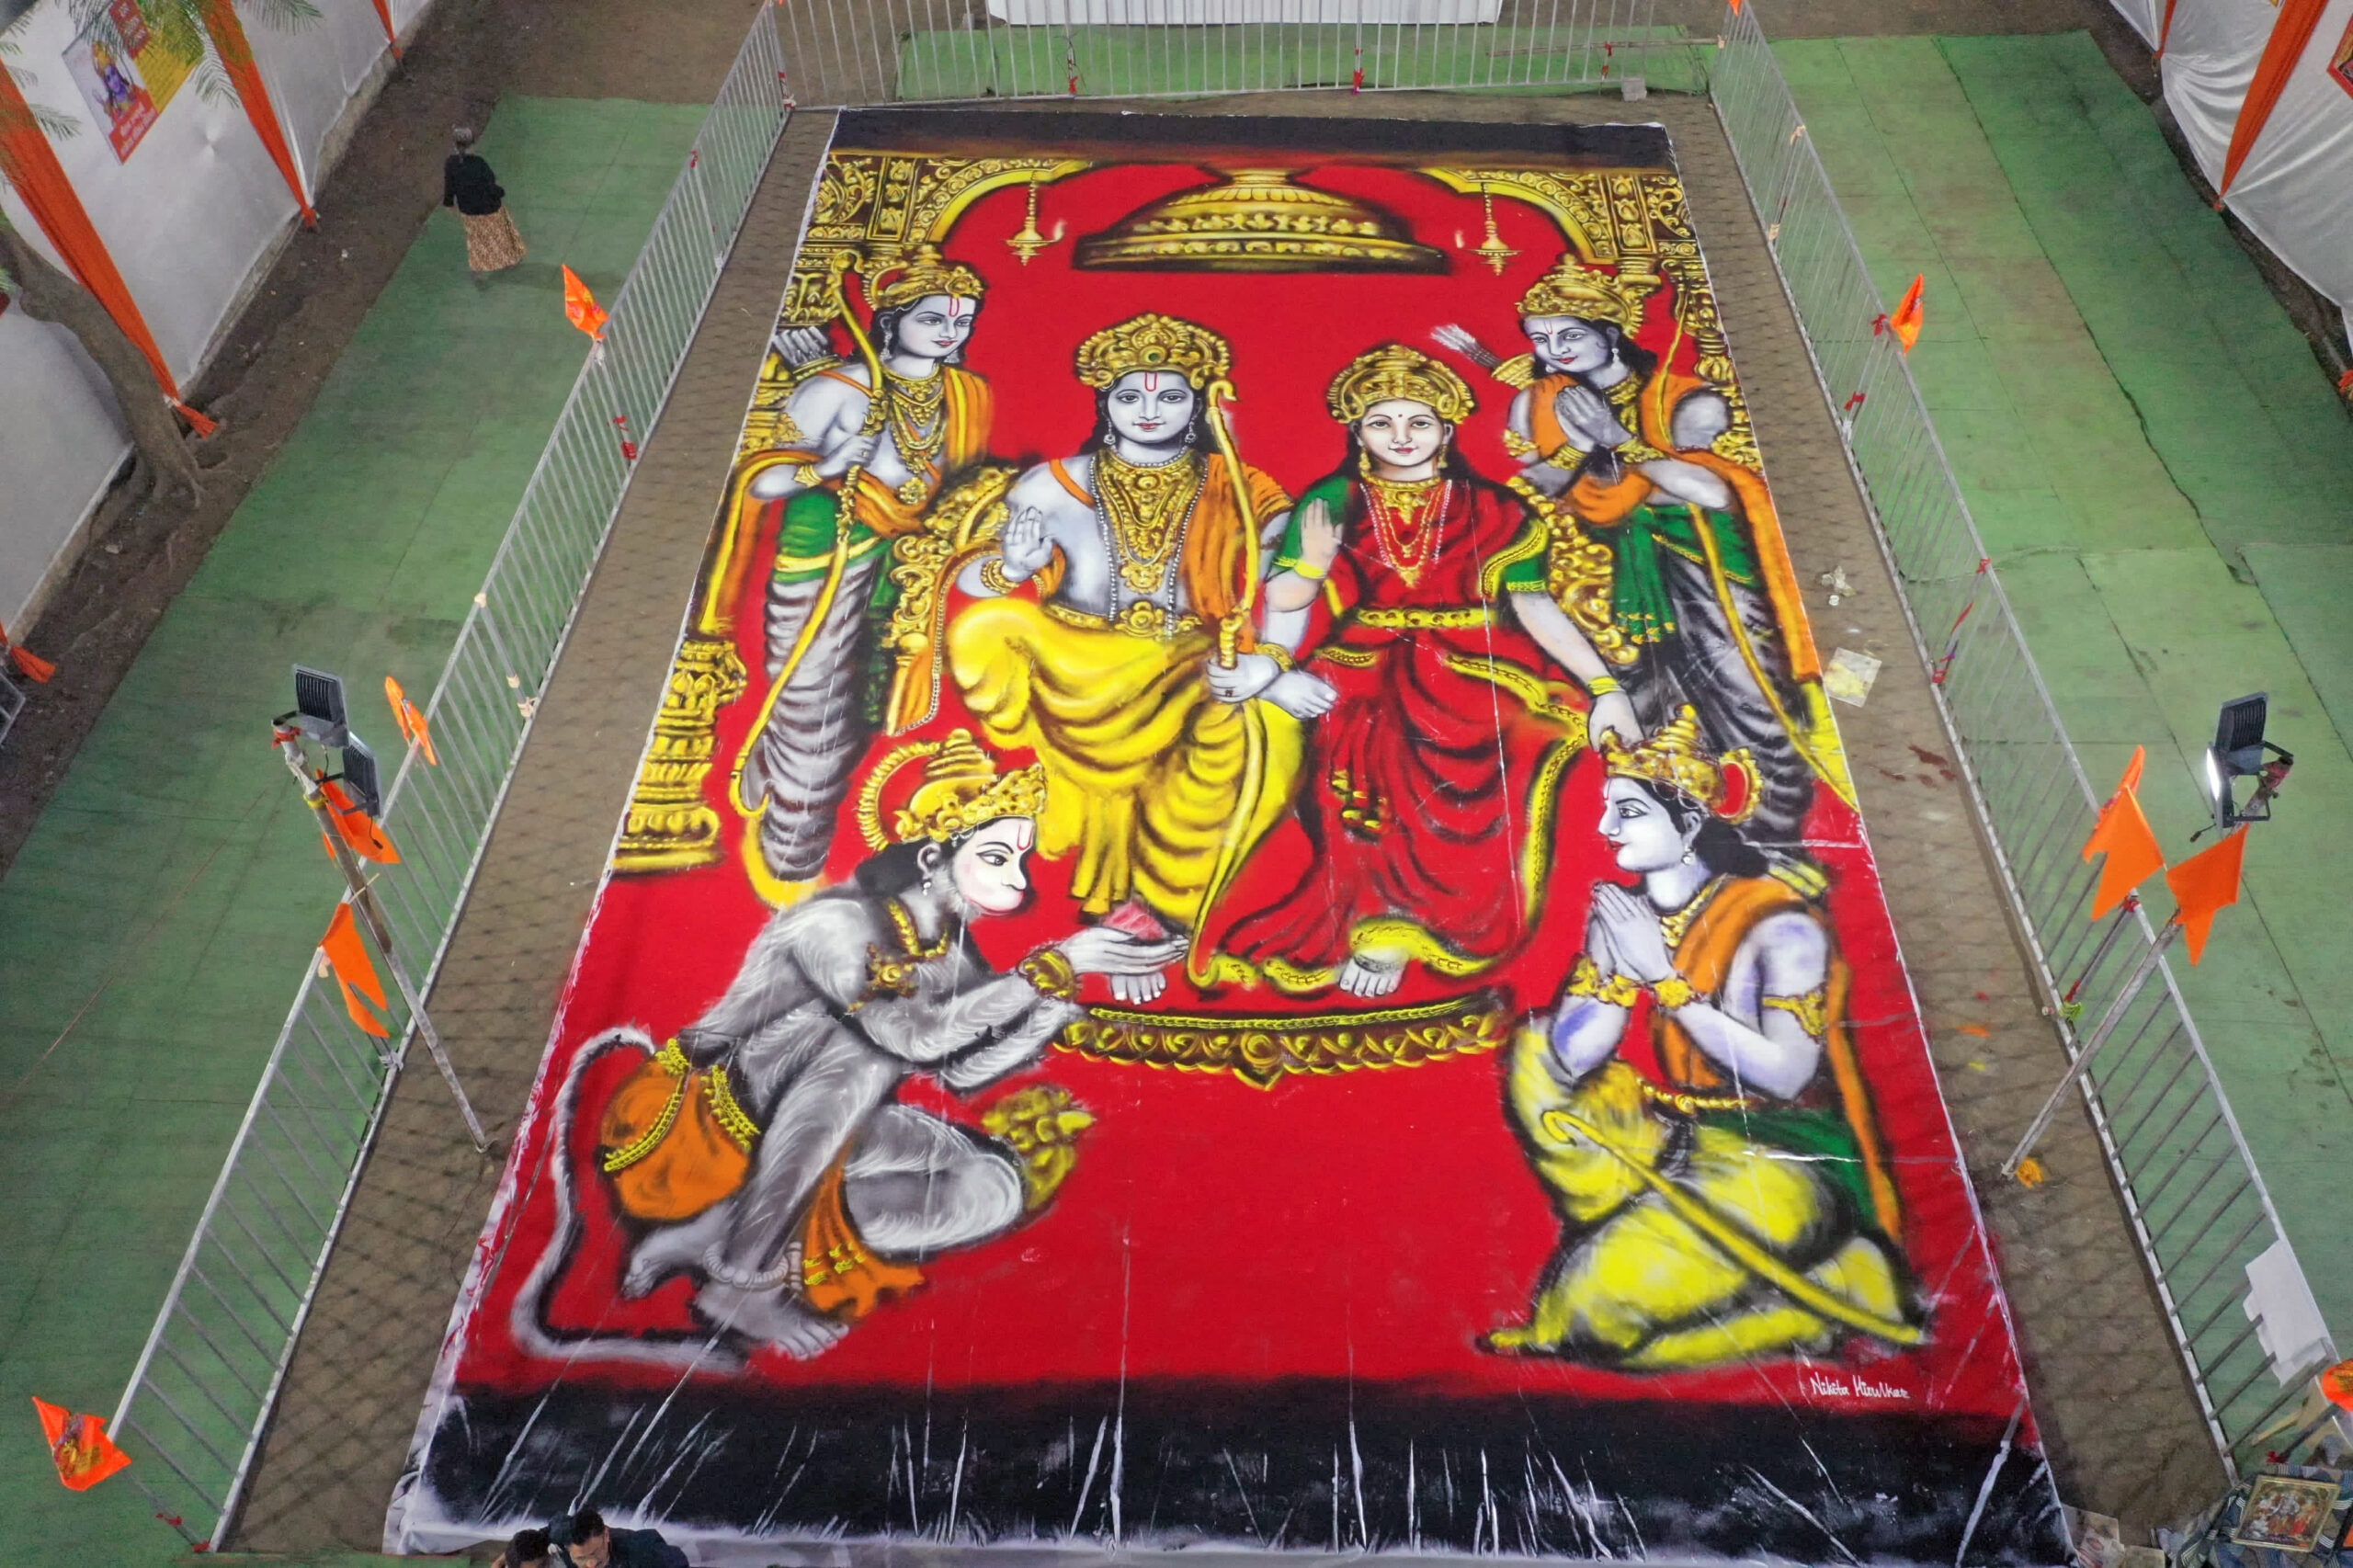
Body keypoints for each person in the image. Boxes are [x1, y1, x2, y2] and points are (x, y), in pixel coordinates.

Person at [612, 730, 1179, 1359]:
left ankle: (718, 1227)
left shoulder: (947, 949)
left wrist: (1062, 995)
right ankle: (738, 1277)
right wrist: (1050, 967)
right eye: (996, 857)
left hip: (823, 1133)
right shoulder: (838, 924)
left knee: (991, 1186)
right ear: (933, 858)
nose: (1018, 880)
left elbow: (964, 1070)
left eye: (1020, 861)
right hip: (704, 1120)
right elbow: (913, 1037)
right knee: (869, 1051)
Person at [1490, 710, 1913, 1366]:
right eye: (1608, 810)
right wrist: (1615, 976)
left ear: (1688, 824)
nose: (1605, 830)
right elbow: (1569, 1062)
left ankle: (1828, 1296)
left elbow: (1784, 1078)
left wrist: (1664, 980)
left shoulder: (1781, 927)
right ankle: (1652, 1218)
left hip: (1784, 1158)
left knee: (1591, 1317)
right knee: (1532, 1058)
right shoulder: (1628, 916)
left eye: (1628, 813)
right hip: (1680, 1132)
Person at [1216, 345, 1637, 997]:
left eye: (1419, 422)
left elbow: (1532, 603)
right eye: (1382, 423)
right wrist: (1306, 573)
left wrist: (1605, 686)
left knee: (1527, 740)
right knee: (1357, 756)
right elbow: (1288, 600)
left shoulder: (1494, 508)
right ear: (1358, 433)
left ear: (1446, 431)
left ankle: (1452, 926)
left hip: (1480, 665)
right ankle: (1375, 921)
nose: (1402, 437)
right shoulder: (1334, 497)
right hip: (1366, 659)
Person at [945, 313, 1311, 983]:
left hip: (1189, 658)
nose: (1148, 411)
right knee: (982, 629)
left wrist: (1271, 666)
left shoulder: (1238, 483)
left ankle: (1161, 911)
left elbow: (1291, 585)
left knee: (1269, 732)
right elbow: (974, 576)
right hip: (1077, 656)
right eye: (1129, 397)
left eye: (1170, 397)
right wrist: (1015, 570)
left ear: (1198, 405)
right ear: (1105, 403)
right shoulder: (1052, 483)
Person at [1495, 256, 1847, 865]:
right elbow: (1532, 489)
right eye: (1542, 339)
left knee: (1754, 702)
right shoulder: (1538, 406)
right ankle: (1678, 834)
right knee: (1645, 715)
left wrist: (1616, 442)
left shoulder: (1680, 400)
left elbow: (1712, 491)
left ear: (1609, 333)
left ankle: (1776, 842)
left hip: (1707, 576)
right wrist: (1575, 455)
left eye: (1570, 334)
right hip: (1607, 581)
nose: (1556, 350)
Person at [733, 246, 995, 899]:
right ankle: (792, 860)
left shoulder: (966, 394)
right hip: (825, 560)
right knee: (812, 706)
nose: (949, 333)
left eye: (961, 323)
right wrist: (820, 469)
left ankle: (793, 790)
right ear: (891, 319)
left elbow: (967, 485)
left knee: (866, 708)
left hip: (907, 569)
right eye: (933, 318)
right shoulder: (835, 390)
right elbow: (757, 478)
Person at [442, 128, 526, 279]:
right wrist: (501, 192)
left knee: (475, 238)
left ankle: (477, 269)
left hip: (468, 210)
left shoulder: (450, 163)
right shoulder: (479, 163)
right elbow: (491, 186)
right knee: (500, 234)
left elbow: (449, 186)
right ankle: (509, 260)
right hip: (489, 208)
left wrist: (449, 204)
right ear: (472, 144)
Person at [551, 1508, 686, 1568]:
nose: (591, 1564)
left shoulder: (642, 1551)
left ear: (606, 1535)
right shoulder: (558, 1535)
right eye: (581, 1558)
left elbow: (677, 1562)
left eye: (595, 1553)